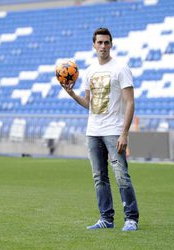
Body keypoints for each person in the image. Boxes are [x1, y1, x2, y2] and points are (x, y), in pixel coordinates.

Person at [62, 27, 139, 231]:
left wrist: (124, 133)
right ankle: (106, 219)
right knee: (99, 178)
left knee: (121, 174)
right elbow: (90, 103)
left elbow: (130, 102)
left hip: (114, 130)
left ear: (111, 44)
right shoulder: (89, 71)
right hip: (93, 131)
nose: (103, 46)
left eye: (106, 42)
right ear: (94, 45)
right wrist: (72, 95)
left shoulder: (121, 68)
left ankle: (131, 219)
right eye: (100, 43)